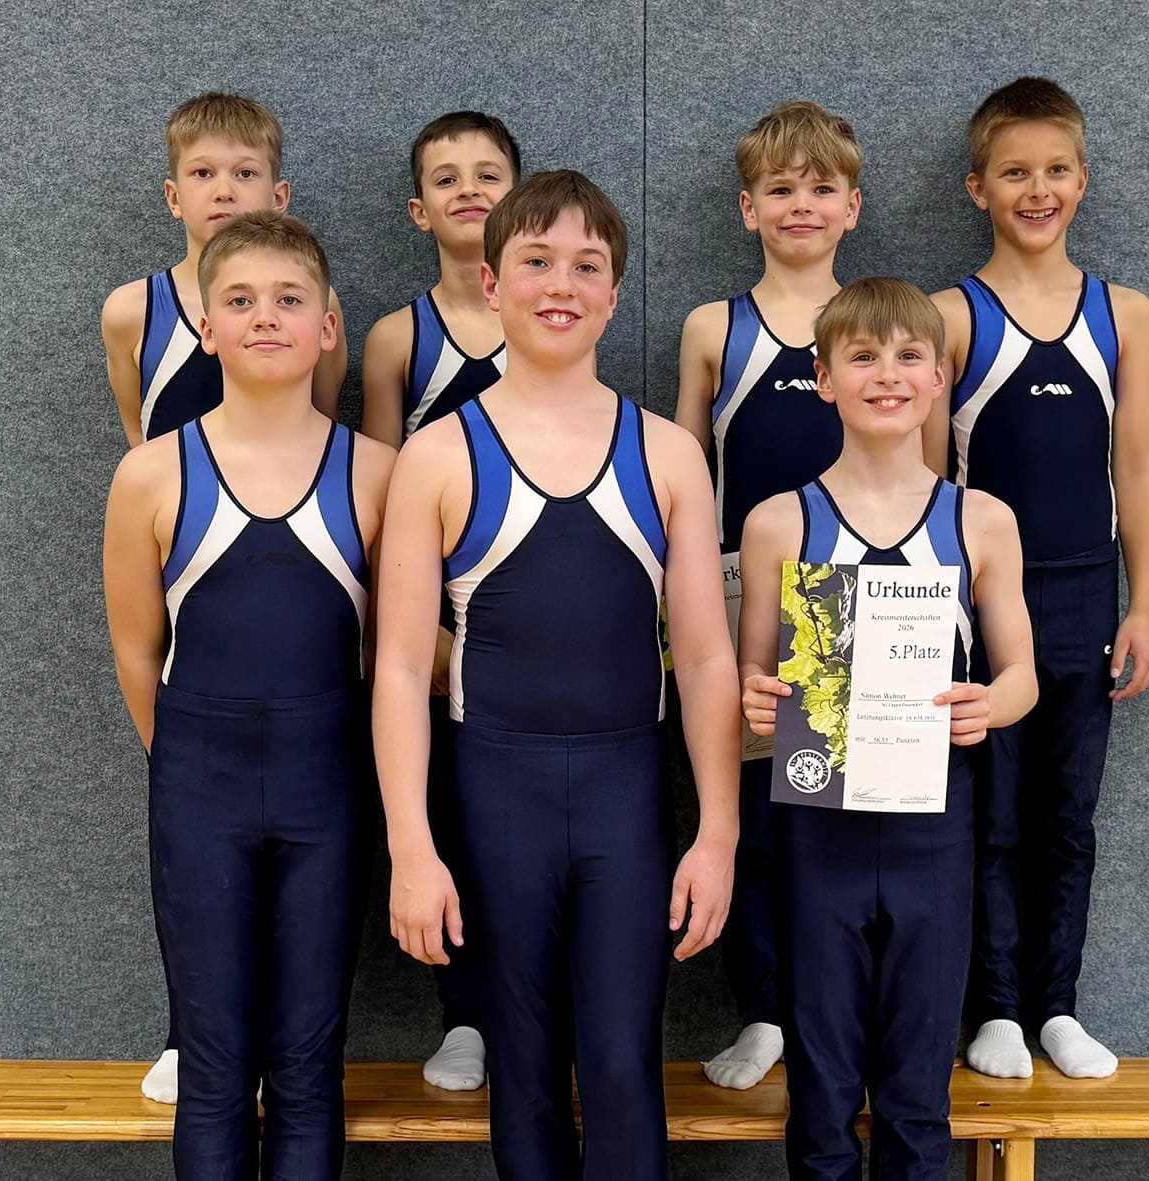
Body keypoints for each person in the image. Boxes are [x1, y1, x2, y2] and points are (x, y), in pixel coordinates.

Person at [372, 170, 740, 1179]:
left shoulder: (666, 453)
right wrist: (411, 845)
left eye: (586, 265)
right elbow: (398, 666)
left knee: (622, 1066)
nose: (560, 284)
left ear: (614, 293)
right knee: (524, 1073)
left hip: (627, 794)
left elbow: (706, 655)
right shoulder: (437, 456)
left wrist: (717, 831)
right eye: (536, 261)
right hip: (495, 794)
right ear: (492, 282)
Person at [103, 211, 394, 1177]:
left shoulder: (377, 473)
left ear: (327, 326)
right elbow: (138, 650)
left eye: (288, 299)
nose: (264, 316)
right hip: (199, 783)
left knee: (308, 1069)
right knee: (215, 1070)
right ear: (206, 327)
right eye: (239, 299)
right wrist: (189, 762)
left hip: (329, 784)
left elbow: (401, 652)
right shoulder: (150, 475)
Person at [740, 277, 1036, 1179]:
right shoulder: (778, 522)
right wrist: (756, 700)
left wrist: (992, 702)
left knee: (916, 1093)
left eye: (909, 356)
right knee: (821, 1089)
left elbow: (1022, 675)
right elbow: (750, 683)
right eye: (863, 356)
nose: (888, 374)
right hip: (816, 829)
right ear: (824, 377)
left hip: (933, 829)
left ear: (941, 376)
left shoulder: (981, 519)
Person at [921, 76, 1149, 1080]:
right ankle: (993, 1010)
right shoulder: (948, 315)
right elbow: (926, 486)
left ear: (1082, 181)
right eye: (1014, 172)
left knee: (1067, 816)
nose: (1037, 189)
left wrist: (1143, 604)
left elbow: (1135, 465)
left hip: (1085, 594)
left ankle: (1056, 1005)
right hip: (982, 603)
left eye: (1056, 170)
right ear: (977, 188)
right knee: (990, 810)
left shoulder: (1124, 313)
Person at [673, 98, 863, 1090]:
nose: (801, 205)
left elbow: (927, 474)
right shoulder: (715, 327)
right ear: (747, 208)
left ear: (851, 207)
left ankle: (831, 1014)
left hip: (852, 597)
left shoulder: (875, 324)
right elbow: (684, 475)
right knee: (745, 810)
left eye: (821, 188)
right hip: (739, 592)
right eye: (780, 189)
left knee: (836, 821)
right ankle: (763, 1014)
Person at [358, 111, 523, 1091]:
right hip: (438, 626)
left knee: (528, 830)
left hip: (534, 633)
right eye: (447, 178)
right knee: (451, 818)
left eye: (488, 173)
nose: (469, 190)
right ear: (419, 210)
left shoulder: (547, 315)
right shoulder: (396, 339)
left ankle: (534, 1010)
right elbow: (378, 501)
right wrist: (415, 640)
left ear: (519, 196)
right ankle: (463, 1014)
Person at [101, 93, 347, 451]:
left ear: (278, 198)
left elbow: (325, 429)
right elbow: (140, 440)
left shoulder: (314, 304)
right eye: (203, 173)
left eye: (245, 173)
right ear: (174, 198)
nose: (224, 192)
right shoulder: (132, 311)